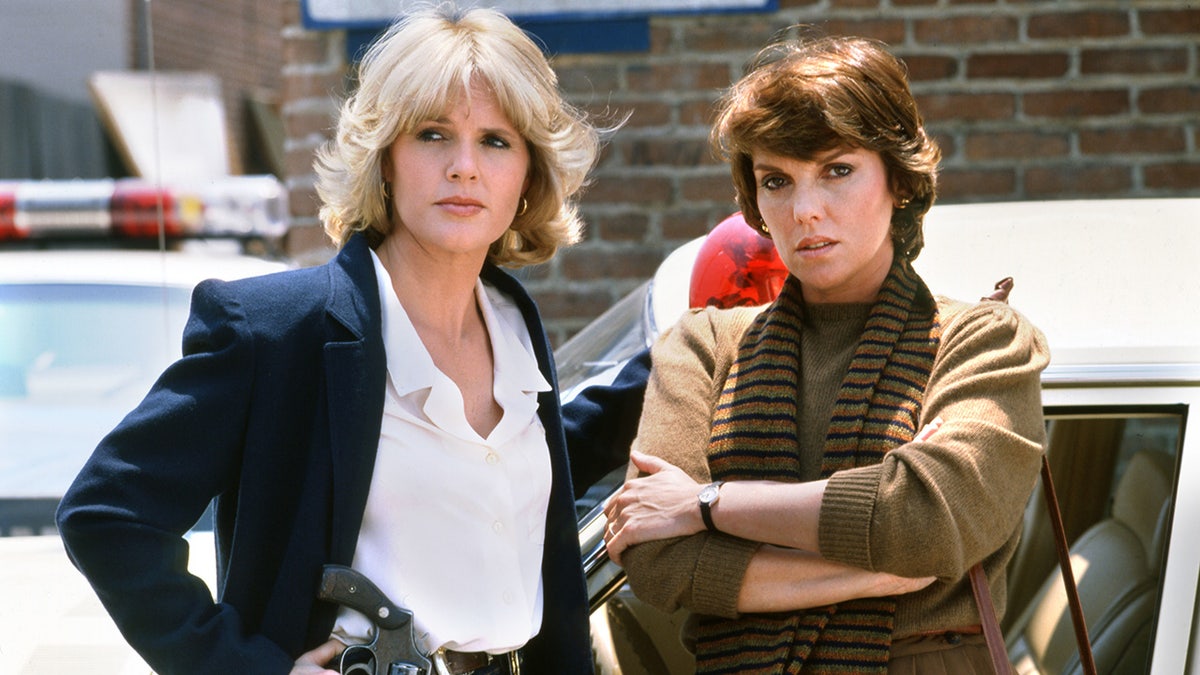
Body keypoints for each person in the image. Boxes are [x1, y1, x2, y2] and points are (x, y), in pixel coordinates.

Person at [57, 6, 611, 674]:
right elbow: (108, 513)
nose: (464, 166)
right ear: (385, 160)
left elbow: (545, 564)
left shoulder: (517, 325)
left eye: (496, 140)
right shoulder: (276, 328)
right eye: (432, 134)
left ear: (528, 174)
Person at [602, 33, 1050, 673]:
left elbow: (924, 519)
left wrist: (705, 505)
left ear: (898, 180)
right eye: (777, 180)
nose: (805, 210)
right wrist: (870, 575)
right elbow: (655, 560)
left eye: (837, 170)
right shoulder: (703, 344)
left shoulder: (981, 341)